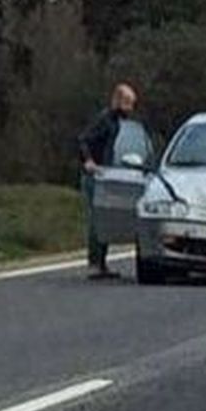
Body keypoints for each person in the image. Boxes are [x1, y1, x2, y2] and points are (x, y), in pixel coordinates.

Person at [77, 83, 138, 279]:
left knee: (105, 218)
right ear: (117, 101)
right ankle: (95, 263)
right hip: (95, 176)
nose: (130, 109)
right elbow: (83, 139)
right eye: (127, 103)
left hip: (107, 174)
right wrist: (88, 161)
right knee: (97, 219)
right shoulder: (104, 120)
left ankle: (102, 263)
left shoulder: (117, 123)